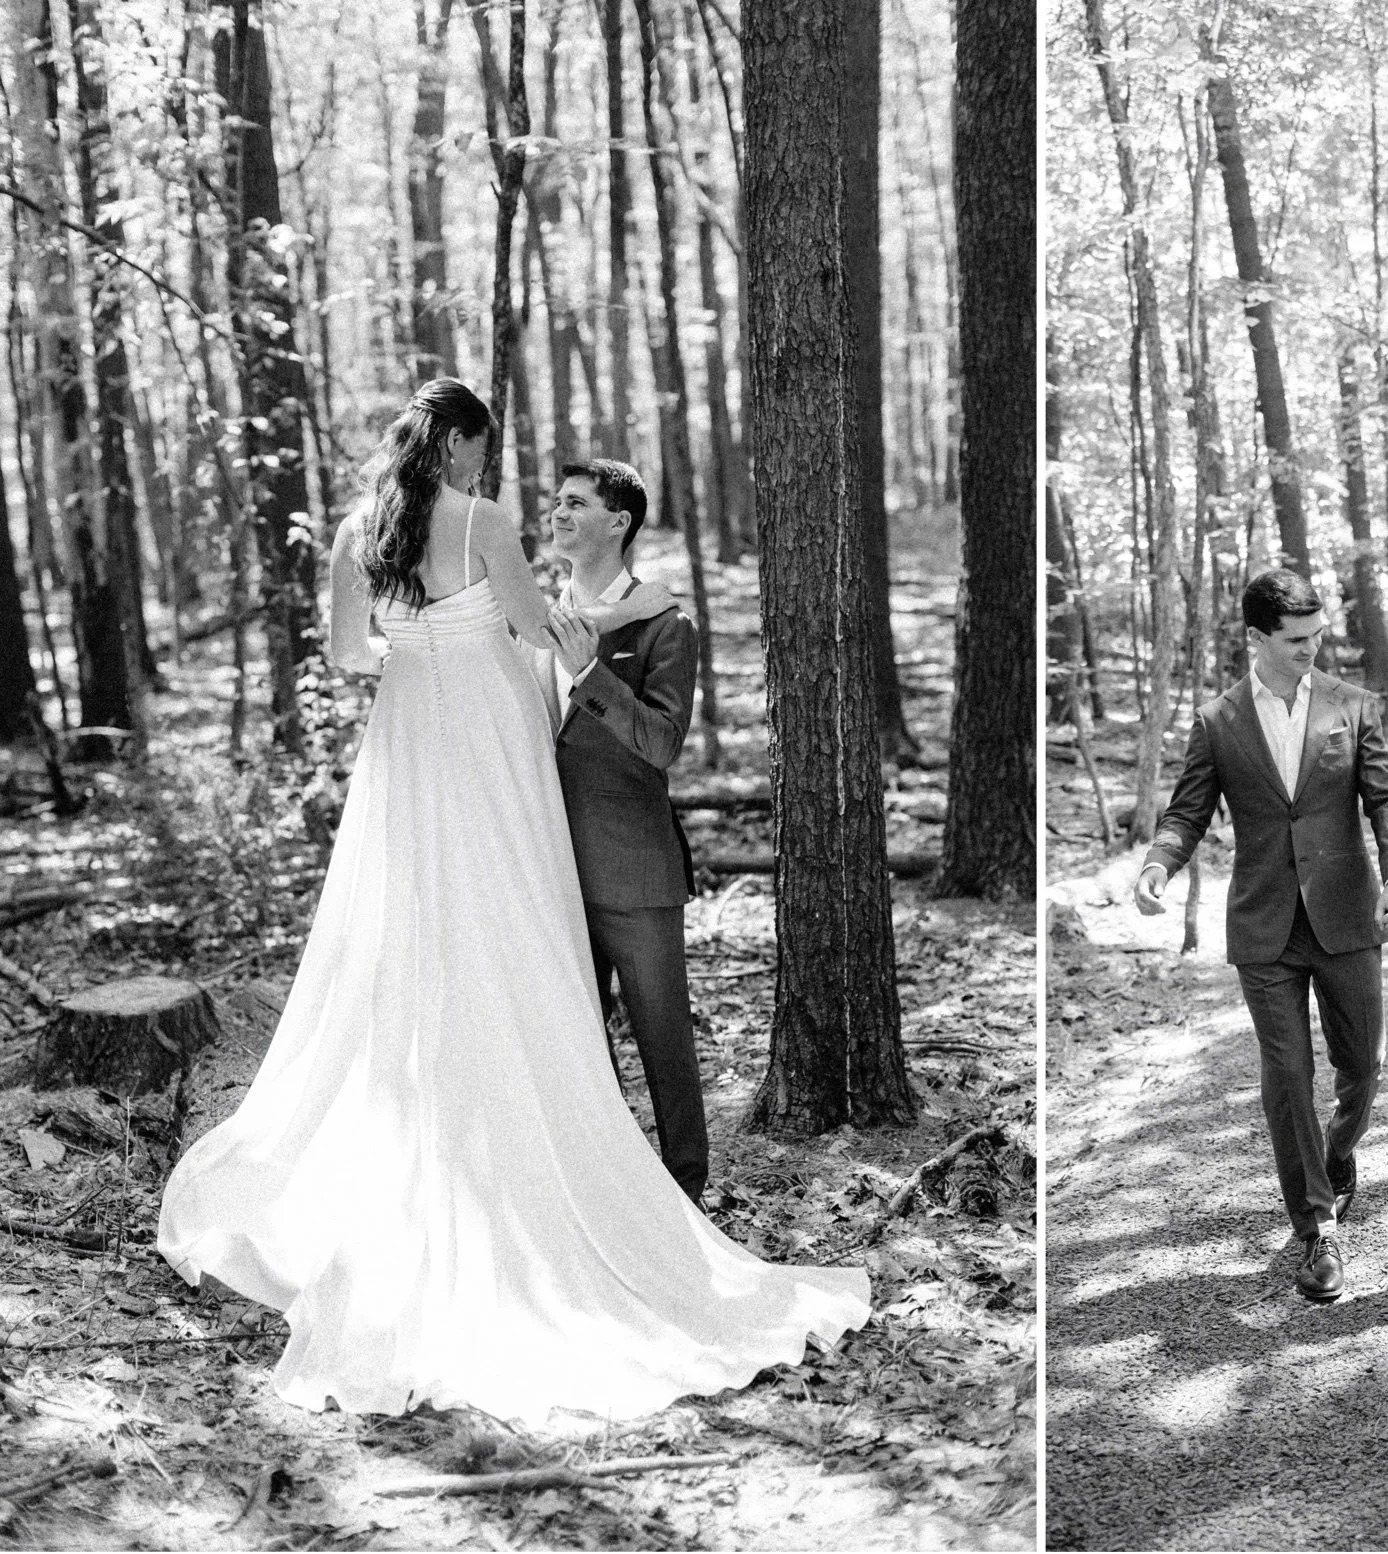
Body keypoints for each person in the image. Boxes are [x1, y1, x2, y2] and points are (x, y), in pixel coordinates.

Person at [157, 379, 870, 1421]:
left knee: (413, 920)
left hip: (408, 734)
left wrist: (421, 646)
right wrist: (515, 635)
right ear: (454, 443)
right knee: (513, 907)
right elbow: (539, 631)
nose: (490, 476)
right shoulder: (480, 523)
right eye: (481, 453)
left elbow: (349, 654)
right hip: (490, 733)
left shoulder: (364, 527)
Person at [1134, 567, 1388, 1302]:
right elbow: (1186, 811)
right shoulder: (1218, 720)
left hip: (1348, 915)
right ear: (1256, 637)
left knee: (1364, 1064)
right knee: (1287, 1075)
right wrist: (1159, 865)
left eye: (1318, 635)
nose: (1312, 649)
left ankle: (1338, 1154)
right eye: (1296, 639)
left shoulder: (1353, 706)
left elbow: (1386, 802)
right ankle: (1318, 1229)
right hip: (1265, 926)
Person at [530, 459, 709, 1207]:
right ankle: (608, 1193)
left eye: (577, 503)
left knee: (663, 1042)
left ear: (619, 522)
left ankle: (686, 1196)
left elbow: (665, 743)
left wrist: (593, 675)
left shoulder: (668, 625)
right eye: (557, 502)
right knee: (576, 1047)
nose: (559, 513)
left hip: (635, 873)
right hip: (547, 867)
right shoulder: (532, 617)